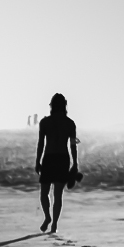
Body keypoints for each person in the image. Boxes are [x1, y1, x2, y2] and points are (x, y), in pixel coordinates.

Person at [34, 93, 78, 233]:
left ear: (52, 105)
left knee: (44, 194)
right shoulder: (70, 123)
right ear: (64, 105)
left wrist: (38, 160)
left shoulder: (45, 122)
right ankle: (54, 225)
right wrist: (75, 163)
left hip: (49, 158)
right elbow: (73, 146)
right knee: (58, 195)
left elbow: (41, 143)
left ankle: (48, 218)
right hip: (63, 159)